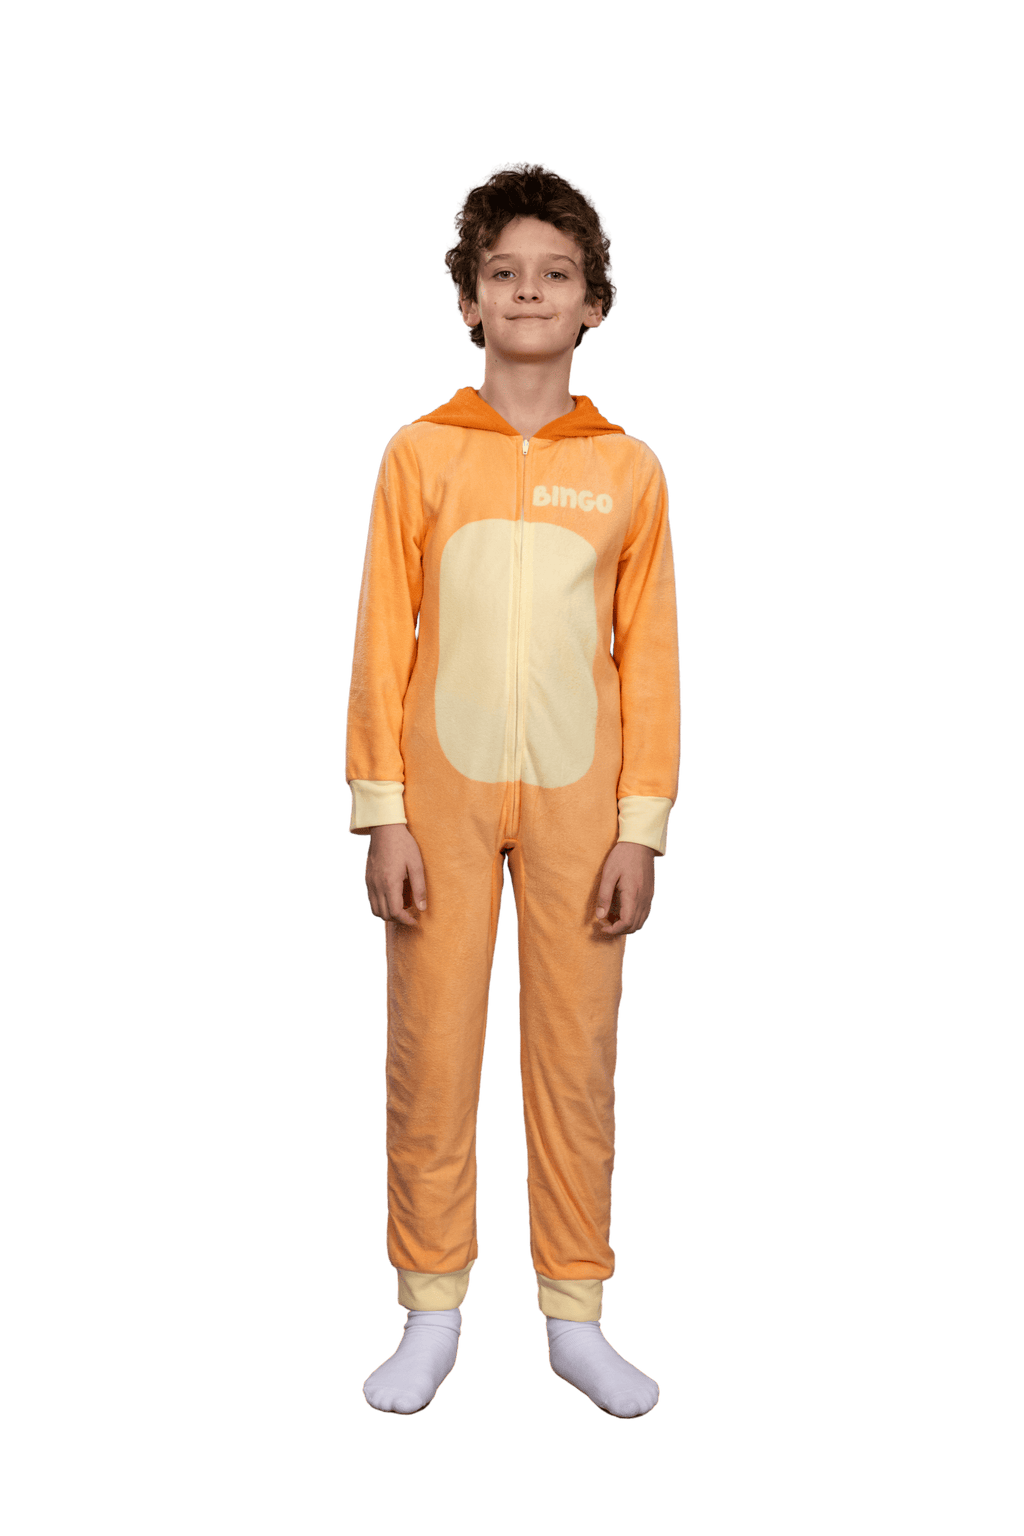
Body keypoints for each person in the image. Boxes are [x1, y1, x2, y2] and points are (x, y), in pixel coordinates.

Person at [345, 162, 681, 1418]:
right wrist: (380, 809)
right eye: (503, 273)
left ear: (595, 302)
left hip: (583, 808)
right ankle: (429, 1311)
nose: (528, 291)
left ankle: (574, 1317)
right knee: (430, 1048)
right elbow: (381, 639)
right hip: (438, 798)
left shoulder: (631, 470)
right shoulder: (419, 455)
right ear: (467, 300)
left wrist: (641, 827)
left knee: (576, 1057)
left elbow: (651, 659)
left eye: (555, 273)